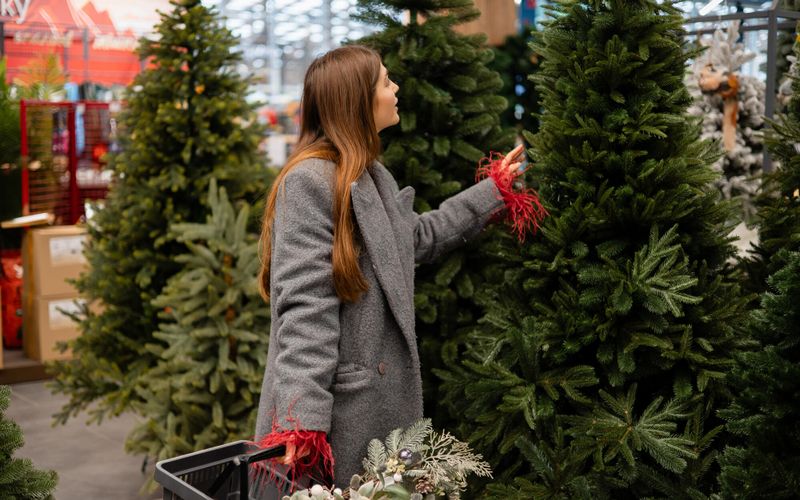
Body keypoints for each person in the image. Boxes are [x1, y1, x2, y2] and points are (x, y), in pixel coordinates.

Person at [254, 44, 544, 490]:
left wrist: (493, 191)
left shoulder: (373, 177)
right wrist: (301, 418)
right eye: (386, 82)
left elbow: (416, 239)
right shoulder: (308, 182)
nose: (396, 89)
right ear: (358, 101)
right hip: (340, 417)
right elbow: (305, 307)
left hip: (378, 408)